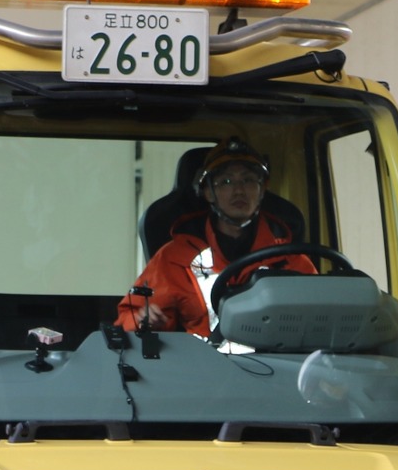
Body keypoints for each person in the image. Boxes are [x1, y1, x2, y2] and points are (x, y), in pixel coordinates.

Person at [116, 137, 315, 338]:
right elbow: (129, 318)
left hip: (278, 367)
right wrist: (144, 321)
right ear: (208, 192)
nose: (238, 190)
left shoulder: (292, 260)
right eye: (226, 182)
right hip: (199, 366)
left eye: (248, 180)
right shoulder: (175, 258)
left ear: (262, 189)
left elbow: (319, 321)